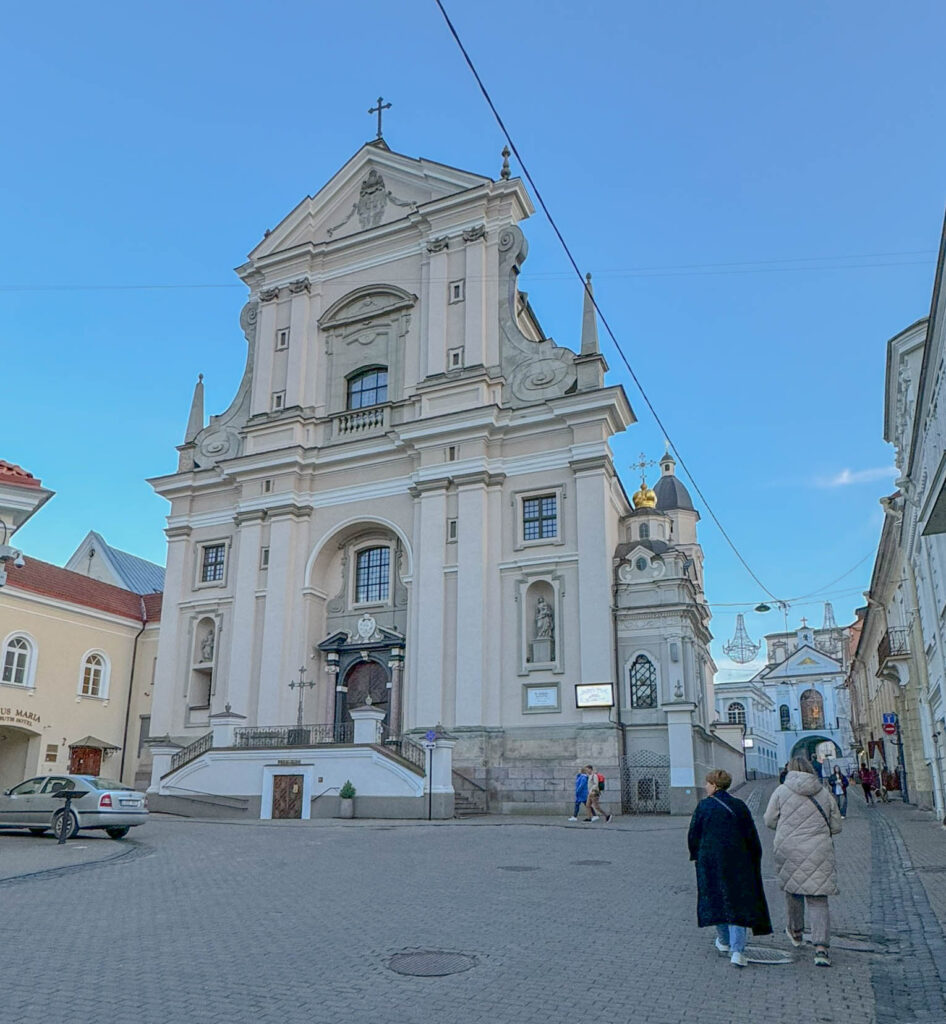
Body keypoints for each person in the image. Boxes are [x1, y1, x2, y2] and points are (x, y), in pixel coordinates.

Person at [687, 769, 772, 968]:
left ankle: (724, 941)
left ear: (715, 785)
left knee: (716, 898)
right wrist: (754, 858)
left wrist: (696, 855)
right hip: (738, 860)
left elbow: (693, 835)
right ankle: (737, 950)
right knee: (737, 902)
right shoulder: (739, 806)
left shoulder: (704, 807)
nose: (706, 786)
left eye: (708, 783)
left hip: (711, 861)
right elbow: (751, 835)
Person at [764, 756, 842, 967]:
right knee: (818, 899)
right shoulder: (824, 792)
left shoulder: (781, 791)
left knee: (793, 892)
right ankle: (821, 948)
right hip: (819, 850)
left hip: (789, 849)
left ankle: (796, 932)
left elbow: (769, 820)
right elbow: (836, 826)